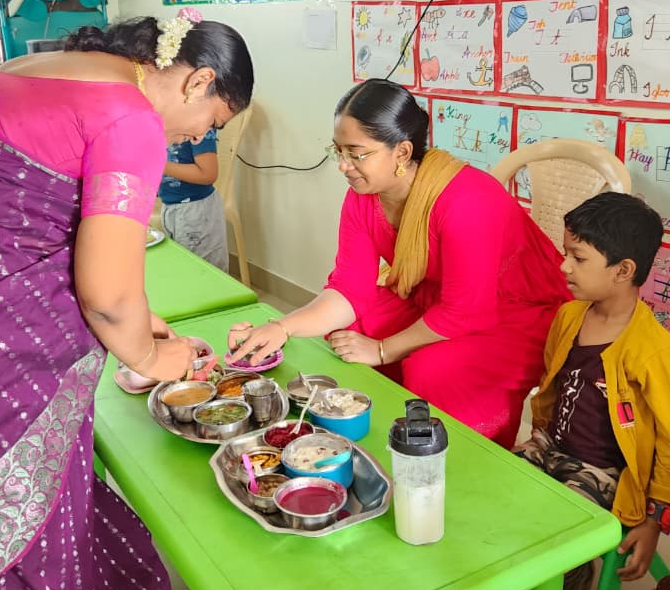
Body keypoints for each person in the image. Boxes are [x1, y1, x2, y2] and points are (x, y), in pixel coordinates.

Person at [0, 11, 253, 590]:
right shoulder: (132, 118)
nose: (192, 136)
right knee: (25, 544)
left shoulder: (38, 66)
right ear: (197, 79)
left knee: (55, 515)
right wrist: (160, 355)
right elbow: (108, 298)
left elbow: (43, 232)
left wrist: (145, 326)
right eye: (206, 120)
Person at [226, 79, 569, 447]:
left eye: (357, 153)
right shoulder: (364, 195)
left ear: (402, 152)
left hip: (514, 312)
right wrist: (282, 326)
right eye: (338, 151)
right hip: (435, 298)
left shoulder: (467, 201)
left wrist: (382, 349)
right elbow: (348, 288)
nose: (343, 166)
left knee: (430, 371)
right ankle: (373, 431)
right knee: (346, 327)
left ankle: (461, 460)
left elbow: (464, 311)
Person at [516, 192, 670, 590]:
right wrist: (538, 439)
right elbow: (551, 381)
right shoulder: (568, 316)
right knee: (500, 488)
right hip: (552, 445)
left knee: (562, 526)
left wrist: (652, 520)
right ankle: (517, 588)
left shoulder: (651, 348)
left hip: (604, 472)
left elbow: (667, 438)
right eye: (566, 253)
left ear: (623, 271)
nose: (564, 266)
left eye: (578, 257)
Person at [159, 127, 229, 271]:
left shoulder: (200, 125)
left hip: (195, 212)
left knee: (204, 273)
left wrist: (157, 164)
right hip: (170, 207)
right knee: (181, 269)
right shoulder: (160, 120)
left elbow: (208, 175)